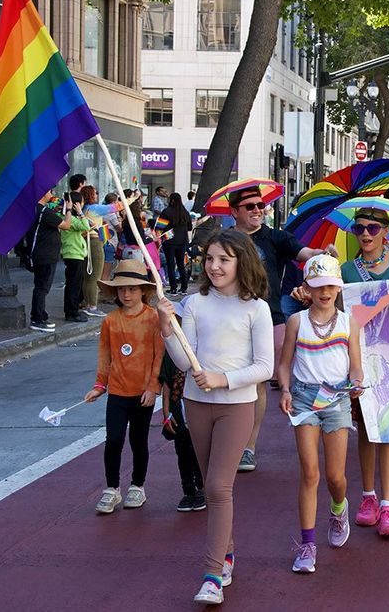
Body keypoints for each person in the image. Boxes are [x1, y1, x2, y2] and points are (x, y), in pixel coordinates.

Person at [156, 229, 274, 604]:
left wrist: (224, 379)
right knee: (212, 485)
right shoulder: (194, 304)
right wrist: (165, 326)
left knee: (219, 488)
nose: (215, 266)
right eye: (209, 259)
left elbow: (265, 367)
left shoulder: (256, 308)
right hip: (196, 404)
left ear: (241, 261)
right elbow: (182, 358)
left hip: (236, 406)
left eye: (224, 259)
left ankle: (210, 574)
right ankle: (227, 554)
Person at [227, 185, 335, 474]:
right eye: (250, 206)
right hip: (229, 321)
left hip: (268, 318)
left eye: (260, 205)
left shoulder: (274, 237)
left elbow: (306, 253)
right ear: (234, 211)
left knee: (258, 383)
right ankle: (229, 441)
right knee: (231, 382)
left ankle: (248, 446)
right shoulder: (224, 241)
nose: (257, 210)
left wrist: (323, 254)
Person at [278, 254, 363, 573]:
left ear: (338, 288)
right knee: (310, 473)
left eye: (329, 285)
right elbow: (284, 363)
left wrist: (357, 382)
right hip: (302, 399)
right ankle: (308, 544)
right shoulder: (296, 322)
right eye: (317, 286)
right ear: (307, 289)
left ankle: (339, 508)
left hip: (337, 399)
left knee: (335, 477)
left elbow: (355, 364)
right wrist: (285, 390)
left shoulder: (348, 323)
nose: (324, 292)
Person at [339, 207, 389, 537]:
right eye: (359, 228)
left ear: (386, 233)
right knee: (365, 427)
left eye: (373, 228)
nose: (365, 234)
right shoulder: (346, 270)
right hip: (361, 361)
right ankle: (368, 498)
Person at [83, 260, 163, 514]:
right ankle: (112, 489)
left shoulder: (153, 319)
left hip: (142, 393)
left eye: (132, 289)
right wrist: (99, 385)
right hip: (117, 391)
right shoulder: (110, 321)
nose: (126, 294)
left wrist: (153, 388)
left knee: (138, 440)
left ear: (143, 291)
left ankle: (138, 485)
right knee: (113, 440)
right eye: (121, 289)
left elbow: (158, 357)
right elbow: (105, 355)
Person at [159, 300, 206, 513]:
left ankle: (202, 488)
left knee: (200, 452)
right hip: (179, 411)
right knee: (182, 452)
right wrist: (167, 413)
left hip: (199, 409)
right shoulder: (170, 352)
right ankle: (188, 491)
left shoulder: (202, 348)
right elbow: (167, 384)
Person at [27, 191, 78, 332]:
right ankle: (37, 318)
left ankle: (41, 314)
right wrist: (68, 209)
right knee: (42, 287)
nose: (52, 193)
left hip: (44, 254)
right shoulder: (43, 211)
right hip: (44, 255)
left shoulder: (41, 210)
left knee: (42, 286)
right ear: (43, 193)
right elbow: (67, 225)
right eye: (49, 191)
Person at [80, 185, 126, 317]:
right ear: (91, 195)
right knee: (95, 276)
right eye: (95, 193)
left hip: (86, 241)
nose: (97, 195)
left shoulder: (85, 208)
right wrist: (130, 199)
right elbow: (115, 207)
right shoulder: (95, 208)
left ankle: (88, 303)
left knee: (87, 276)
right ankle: (92, 306)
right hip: (95, 242)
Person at [60, 193, 93, 323]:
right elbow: (85, 226)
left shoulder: (71, 219)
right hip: (73, 254)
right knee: (73, 285)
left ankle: (72, 310)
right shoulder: (71, 219)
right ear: (76, 204)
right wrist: (81, 213)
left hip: (75, 253)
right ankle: (71, 312)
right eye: (81, 203)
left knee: (74, 284)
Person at [161, 192, 193, 295]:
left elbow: (159, 227)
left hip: (169, 242)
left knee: (171, 264)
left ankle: (173, 288)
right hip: (182, 242)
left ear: (172, 200)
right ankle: (184, 288)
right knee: (181, 264)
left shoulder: (166, 212)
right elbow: (190, 228)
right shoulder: (185, 212)